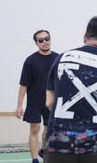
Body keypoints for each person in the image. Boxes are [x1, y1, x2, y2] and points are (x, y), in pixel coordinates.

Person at [45, 15, 97, 163]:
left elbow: (49, 102)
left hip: (58, 144)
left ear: (85, 37)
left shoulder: (61, 59)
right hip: (95, 146)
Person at [16, 30, 59, 163]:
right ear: (36, 43)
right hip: (34, 102)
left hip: (51, 101)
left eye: (47, 38)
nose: (45, 42)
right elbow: (23, 85)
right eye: (41, 40)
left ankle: (44, 150)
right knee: (34, 129)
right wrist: (19, 106)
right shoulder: (30, 61)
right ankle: (35, 160)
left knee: (48, 129)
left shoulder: (58, 58)